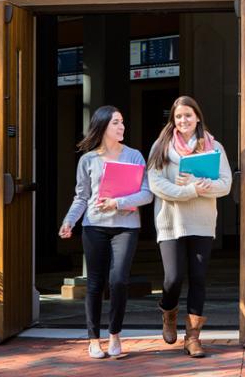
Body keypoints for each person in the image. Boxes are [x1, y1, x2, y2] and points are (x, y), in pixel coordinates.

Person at [59, 105, 153, 359]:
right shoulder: (87, 160)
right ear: (102, 127)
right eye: (116, 122)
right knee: (95, 283)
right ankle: (93, 340)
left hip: (126, 226)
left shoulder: (134, 156)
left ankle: (114, 334)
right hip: (94, 226)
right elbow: (81, 197)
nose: (122, 126)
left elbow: (147, 193)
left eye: (122, 122)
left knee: (119, 280)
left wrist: (118, 203)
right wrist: (69, 221)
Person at [147, 96, 232, 358]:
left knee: (198, 278)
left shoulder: (213, 147)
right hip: (171, 222)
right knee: (173, 278)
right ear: (173, 120)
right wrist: (191, 190)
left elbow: (225, 184)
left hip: (202, 222)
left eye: (188, 115)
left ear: (197, 117)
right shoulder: (160, 147)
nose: (183, 120)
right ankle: (168, 312)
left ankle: (193, 338)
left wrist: (197, 183)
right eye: (178, 116)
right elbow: (156, 184)